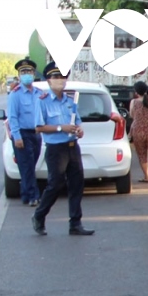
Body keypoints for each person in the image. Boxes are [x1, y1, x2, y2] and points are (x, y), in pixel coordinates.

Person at [31, 62, 93, 236]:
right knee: (55, 185)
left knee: (77, 185)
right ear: (49, 80)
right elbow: (39, 127)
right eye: (55, 77)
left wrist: (79, 130)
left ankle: (75, 223)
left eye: (62, 77)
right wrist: (61, 128)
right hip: (56, 149)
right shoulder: (42, 101)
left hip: (72, 146)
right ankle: (39, 215)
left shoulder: (70, 100)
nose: (60, 80)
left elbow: (77, 120)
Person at [7, 58, 42, 207]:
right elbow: (12, 117)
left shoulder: (39, 93)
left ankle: (25, 195)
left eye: (29, 71)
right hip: (23, 134)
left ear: (33, 73)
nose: (26, 74)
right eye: (23, 72)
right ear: (19, 75)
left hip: (36, 134)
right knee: (27, 166)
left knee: (29, 166)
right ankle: (34, 196)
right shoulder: (15, 94)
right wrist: (17, 136)